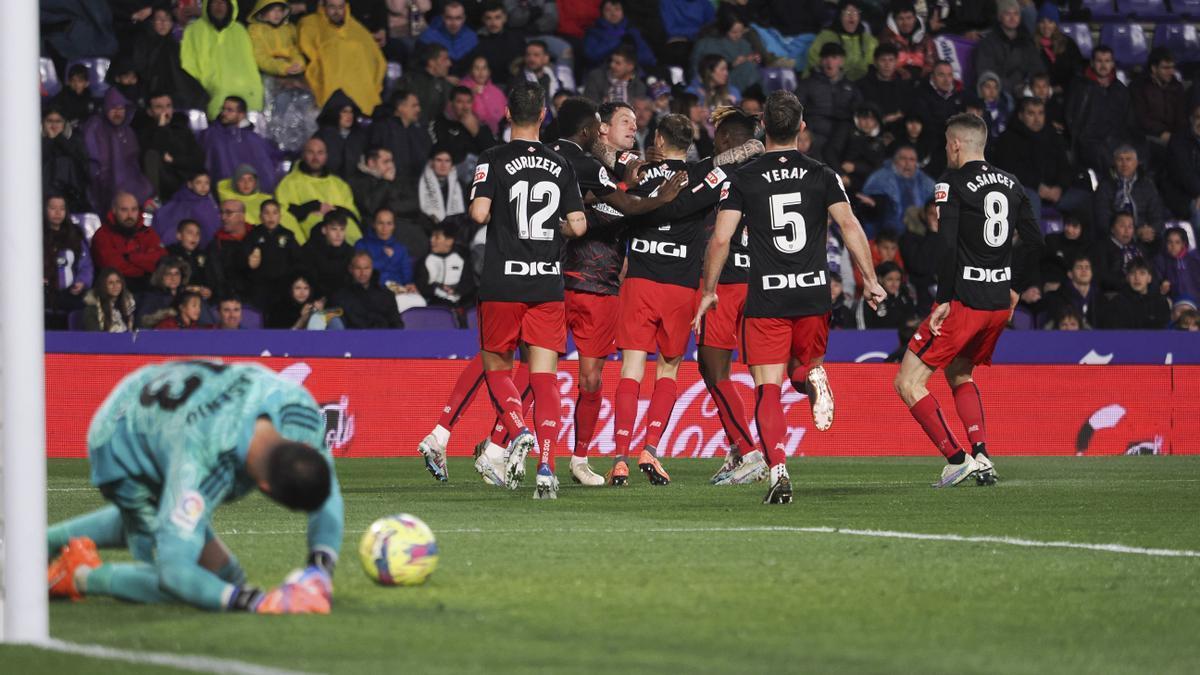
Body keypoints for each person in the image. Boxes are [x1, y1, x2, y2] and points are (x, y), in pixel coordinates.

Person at [695, 90, 884, 505]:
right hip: (814, 295)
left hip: (768, 298)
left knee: (767, 388)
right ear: (801, 127)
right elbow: (850, 226)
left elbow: (721, 239)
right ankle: (813, 379)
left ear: (763, 126)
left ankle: (778, 471)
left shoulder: (743, 177)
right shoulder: (823, 174)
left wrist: (709, 291)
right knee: (803, 369)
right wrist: (870, 280)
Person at [46, 361, 341, 613]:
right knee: (209, 579)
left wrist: (320, 568)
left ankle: (46, 540)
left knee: (209, 567)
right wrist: (253, 602)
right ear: (263, 488)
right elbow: (175, 572)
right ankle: (78, 575)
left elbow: (327, 488)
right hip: (122, 437)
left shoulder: (299, 411)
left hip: (170, 406)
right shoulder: (200, 466)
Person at [893, 112, 1043, 490]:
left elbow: (947, 244)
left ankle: (957, 459)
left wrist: (944, 298)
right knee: (960, 373)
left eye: (946, 143)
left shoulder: (951, 183)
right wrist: (1015, 288)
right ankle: (981, 454)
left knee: (908, 383)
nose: (946, 148)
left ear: (957, 144)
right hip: (996, 304)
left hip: (964, 301)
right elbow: (1036, 241)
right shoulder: (1012, 183)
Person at [463, 81, 589, 499]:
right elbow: (579, 225)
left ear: (505, 115)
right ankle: (548, 468)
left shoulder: (492, 157)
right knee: (545, 378)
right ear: (542, 117)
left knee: (497, 366)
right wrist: (550, 225)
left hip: (502, 280)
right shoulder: (562, 162)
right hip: (545, 283)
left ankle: (517, 430)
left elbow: (479, 213)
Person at [550, 99, 686, 486]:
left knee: (591, 379)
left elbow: (630, 210)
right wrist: (628, 198)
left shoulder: (632, 170)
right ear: (601, 130)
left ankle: (580, 459)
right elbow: (603, 212)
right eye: (624, 120)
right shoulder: (584, 166)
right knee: (536, 369)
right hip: (560, 277)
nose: (633, 125)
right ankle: (501, 441)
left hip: (605, 285)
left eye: (635, 120)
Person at [992, 97, 1074, 218]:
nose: (1037, 119)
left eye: (1040, 113)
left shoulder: (1054, 137)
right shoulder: (1008, 139)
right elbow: (1009, 171)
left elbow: (1065, 167)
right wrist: (1038, 186)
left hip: (1054, 192)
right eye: (1031, 113)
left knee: (1084, 198)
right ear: (1021, 115)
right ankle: (1032, 237)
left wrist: (1060, 187)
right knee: (1031, 199)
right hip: (1025, 189)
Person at [299, 0, 387, 115]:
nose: (337, 12)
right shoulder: (310, 24)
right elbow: (308, 50)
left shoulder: (356, 28)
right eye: (332, 7)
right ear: (323, 7)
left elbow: (376, 59)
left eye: (340, 7)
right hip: (330, 81)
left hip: (360, 85)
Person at [181, 0, 264, 120]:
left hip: (246, 95)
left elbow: (249, 65)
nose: (219, 6)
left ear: (230, 6)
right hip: (210, 92)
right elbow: (189, 64)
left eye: (223, 2)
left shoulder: (239, 30)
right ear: (207, 5)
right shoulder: (194, 30)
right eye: (215, 2)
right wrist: (207, 85)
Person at [275, 137, 362, 245]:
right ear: (303, 155)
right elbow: (283, 215)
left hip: (345, 247)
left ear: (326, 156)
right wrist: (311, 207)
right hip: (308, 247)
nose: (315, 157)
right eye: (311, 152)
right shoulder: (288, 183)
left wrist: (333, 211)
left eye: (320, 153)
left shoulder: (339, 184)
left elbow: (352, 214)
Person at [83, 89, 155, 213]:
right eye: (113, 108)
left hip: (128, 183)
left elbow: (133, 163)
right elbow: (93, 161)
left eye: (121, 109)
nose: (118, 113)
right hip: (102, 182)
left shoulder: (128, 132)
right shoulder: (95, 126)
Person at [1066, 46, 1133, 175]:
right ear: (1092, 63)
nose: (1103, 65)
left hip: (1115, 141)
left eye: (1107, 61)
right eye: (1099, 61)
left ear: (1113, 63)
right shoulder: (1079, 86)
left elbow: (1128, 121)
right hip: (1087, 142)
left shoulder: (1120, 90)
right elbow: (1071, 118)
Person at [795, 42, 862, 167]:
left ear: (841, 61)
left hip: (842, 135)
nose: (829, 62)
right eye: (826, 58)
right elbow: (795, 108)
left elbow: (859, 110)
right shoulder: (808, 84)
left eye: (834, 58)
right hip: (815, 133)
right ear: (821, 61)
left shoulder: (850, 86)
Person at [131, 6, 209, 112]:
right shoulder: (143, 43)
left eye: (167, 19)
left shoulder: (176, 45)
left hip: (177, 97)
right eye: (159, 19)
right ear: (152, 22)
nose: (163, 23)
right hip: (151, 96)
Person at [135, 92, 207, 203]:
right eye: (159, 107)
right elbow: (154, 157)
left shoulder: (183, 130)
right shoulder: (144, 134)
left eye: (168, 106)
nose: (165, 111)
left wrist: (174, 161)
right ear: (150, 111)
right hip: (165, 192)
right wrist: (162, 128)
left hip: (188, 186)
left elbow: (198, 159)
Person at [200, 96, 280, 193]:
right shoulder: (211, 135)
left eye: (229, 110)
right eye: (223, 109)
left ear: (241, 114)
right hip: (222, 192)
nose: (224, 113)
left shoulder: (254, 139)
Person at [91, 192, 166, 293]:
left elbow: (160, 260)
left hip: (149, 289)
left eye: (134, 209)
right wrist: (145, 267)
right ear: (114, 210)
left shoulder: (148, 232)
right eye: (124, 210)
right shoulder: (102, 235)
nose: (130, 215)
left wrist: (130, 257)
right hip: (115, 292)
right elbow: (113, 267)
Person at [972, 0, 1044, 97]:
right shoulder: (988, 43)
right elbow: (986, 74)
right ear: (1000, 17)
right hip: (999, 93)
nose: (1012, 18)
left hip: (1025, 92)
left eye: (1016, 14)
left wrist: (1028, 85)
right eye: (1007, 14)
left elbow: (1037, 68)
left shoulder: (1027, 41)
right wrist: (1013, 87)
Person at [1093, 146, 1165, 239]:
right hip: (1114, 236)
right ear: (1114, 163)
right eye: (1120, 160)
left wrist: (1151, 230)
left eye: (1128, 159)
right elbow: (1102, 218)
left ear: (1136, 163)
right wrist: (1127, 232)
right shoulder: (1105, 185)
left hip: (1144, 236)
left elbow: (1157, 215)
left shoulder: (1147, 185)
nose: (1124, 164)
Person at [862, 144, 936, 236]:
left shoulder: (926, 182)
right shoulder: (879, 178)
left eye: (912, 159)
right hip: (884, 235)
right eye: (903, 158)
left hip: (918, 235)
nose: (907, 163)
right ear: (894, 161)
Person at [43, 194, 94, 326]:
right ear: (44, 210)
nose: (58, 213)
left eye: (62, 208)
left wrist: (82, 282)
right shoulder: (34, 235)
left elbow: (86, 265)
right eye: (53, 208)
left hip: (69, 294)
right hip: (43, 295)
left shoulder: (75, 236)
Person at [689, 5, 762, 95]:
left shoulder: (744, 44)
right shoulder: (706, 44)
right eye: (734, 32)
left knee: (751, 69)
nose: (738, 35)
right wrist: (732, 64)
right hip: (714, 85)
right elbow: (697, 70)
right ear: (724, 29)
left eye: (741, 31)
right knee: (748, 68)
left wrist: (753, 60)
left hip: (742, 85)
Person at [245, 199, 302, 312]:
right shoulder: (253, 235)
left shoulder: (288, 235)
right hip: (260, 286)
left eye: (275, 213)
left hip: (283, 285)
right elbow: (244, 259)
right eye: (267, 213)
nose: (271, 217)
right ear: (260, 216)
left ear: (280, 216)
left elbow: (298, 260)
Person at [909, 60, 963, 178]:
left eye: (949, 75)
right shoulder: (921, 94)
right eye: (941, 75)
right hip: (930, 148)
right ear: (932, 77)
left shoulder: (959, 97)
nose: (947, 79)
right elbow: (925, 123)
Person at [432, 87, 499, 178]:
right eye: (459, 102)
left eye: (468, 102)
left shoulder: (480, 124)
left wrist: (477, 132)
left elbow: (493, 153)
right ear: (451, 103)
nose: (465, 107)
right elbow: (439, 152)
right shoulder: (440, 123)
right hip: (450, 174)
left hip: (477, 176)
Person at [356, 207, 420, 301]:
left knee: (419, 303)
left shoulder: (401, 248)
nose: (385, 228)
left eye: (389, 223)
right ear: (374, 224)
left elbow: (407, 275)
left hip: (399, 292)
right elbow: (360, 271)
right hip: (372, 291)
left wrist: (410, 284)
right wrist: (385, 259)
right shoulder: (362, 244)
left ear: (394, 226)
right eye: (380, 223)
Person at [349, 147, 421, 229]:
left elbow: (415, 203)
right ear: (371, 163)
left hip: (405, 225)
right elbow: (370, 207)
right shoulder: (357, 181)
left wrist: (387, 206)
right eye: (386, 162)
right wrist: (385, 182)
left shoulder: (396, 178)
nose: (391, 165)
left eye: (391, 161)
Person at [369, 89, 433, 182]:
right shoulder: (381, 129)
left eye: (418, 106)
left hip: (414, 186)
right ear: (400, 107)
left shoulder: (420, 132)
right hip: (387, 186)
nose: (418, 109)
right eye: (414, 106)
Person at [806, 0, 878, 82]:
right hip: (829, 84)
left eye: (855, 13)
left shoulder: (869, 40)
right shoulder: (825, 37)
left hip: (862, 85)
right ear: (839, 15)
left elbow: (872, 65)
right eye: (847, 12)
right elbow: (813, 60)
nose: (852, 16)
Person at [1132, 48, 1187, 154]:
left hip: (1174, 136)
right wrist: (1161, 132)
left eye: (1172, 67)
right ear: (1154, 68)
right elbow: (1141, 118)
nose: (1171, 72)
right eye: (1166, 68)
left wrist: (1179, 134)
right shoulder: (1138, 87)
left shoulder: (1177, 87)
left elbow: (1182, 116)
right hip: (1148, 135)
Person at [330, 252, 405, 328]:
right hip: (353, 339)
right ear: (350, 269)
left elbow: (397, 325)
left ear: (372, 268)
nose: (363, 273)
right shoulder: (339, 297)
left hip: (384, 338)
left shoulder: (387, 295)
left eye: (366, 268)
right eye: (358, 268)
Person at [415, 220, 475, 310]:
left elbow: (468, 284)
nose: (431, 240)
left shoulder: (461, 259)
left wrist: (455, 291)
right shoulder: (425, 261)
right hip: (435, 303)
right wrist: (439, 290)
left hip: (460, 302)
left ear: (449, 241)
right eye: (431, 236)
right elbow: (422, 286)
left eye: (437, 237)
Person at [857, 43, 913, 139]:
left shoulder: (903, 87)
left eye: (891, 60)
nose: (887, 65)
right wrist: (885, 119)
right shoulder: (862, 85)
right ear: (875, 62)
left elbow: (906, 113)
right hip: (869, 134)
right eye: (883, 60)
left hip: (897, 134)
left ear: (896, 62)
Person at [42, 106, 91, 214]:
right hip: (43, 197)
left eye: (58, 121)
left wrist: (60, 139)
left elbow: (82, 165)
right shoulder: (35, 143)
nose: (54, 125)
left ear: (64, 123)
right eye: (50, 121)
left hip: (70, 198)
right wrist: (49, 140)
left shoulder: (75, 142)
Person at [153, 172, 222, 248]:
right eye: (198, 182)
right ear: (190, 184)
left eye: (207, 183)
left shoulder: (210, 200)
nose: (203, 186)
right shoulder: (182, 201)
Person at [1097, 259, 1171, 329]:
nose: (1137, 278)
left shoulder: (1161, 303)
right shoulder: (1117, 303)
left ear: (1149, 278)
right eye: (1132, 273)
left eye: (1142, 273)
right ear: (1127, 278)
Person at [313, 90, 368, 180]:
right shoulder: (321, 137)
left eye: (351, 112)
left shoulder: (360, 137)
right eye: (344, 112)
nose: (349, 115)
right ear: (334, 113)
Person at [583, 0, 655, 68]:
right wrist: (617, 40)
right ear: (602, 13)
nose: (613, 13)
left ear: (623, 12)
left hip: (630, 74)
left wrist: (628, 60)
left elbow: (649, 58)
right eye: (608, 10)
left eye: (617, 9)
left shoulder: (632, 32)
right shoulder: (594, 32)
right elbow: (591, 56)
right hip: (604, 75)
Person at [166, 220, 220, 307]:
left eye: (197, 234)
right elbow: (164, 283)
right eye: (190, 233)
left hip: (200, 300)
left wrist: (209, 291)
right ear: (179, 236)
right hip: (176, 300)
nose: (194, 237)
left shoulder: (203, 255)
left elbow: (212, 279)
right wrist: (187, 289)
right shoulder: (169, 254)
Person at [302, 212, 357, 298]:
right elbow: (306, 281)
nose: (338, 235)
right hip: (314, 297)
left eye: (342, 229)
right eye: (334, 229)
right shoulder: (309, 250)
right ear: (324, 230)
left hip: (343, 298)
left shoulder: (350, 252)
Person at [400, 43, 454, 127]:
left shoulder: (447, 85)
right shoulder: (410, 82)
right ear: (431, 62)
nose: (449, 64)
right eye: (445, 60)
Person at [1032, 3, 1083, 94]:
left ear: (1056, 24)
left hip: (1067, 92)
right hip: (1038, 93)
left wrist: (1062, 88)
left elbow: (1077, 70)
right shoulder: (1031, 44)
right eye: (1042, 22)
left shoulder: (1068, 43)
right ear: (1038, 24)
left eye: (1050, 22)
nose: (1046, 26)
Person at [878, 1, 935, 80]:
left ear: (915, 18)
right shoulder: (886, 38)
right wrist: (900, 71)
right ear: (894, 20)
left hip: (922, 80)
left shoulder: (925, 37)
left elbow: (931, 62)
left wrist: (924, 73)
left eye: (909, 18)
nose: (905, 23)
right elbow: (884, 63)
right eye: (900, 19)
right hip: (896, 80)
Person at [1163, 104, 1200, 225]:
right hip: (1181, 195)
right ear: (1191, 119)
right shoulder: (1179, 140)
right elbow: (1185, 175)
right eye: (1198, 117)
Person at [474, 3, 526, 89]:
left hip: (514, 85)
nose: (493, 23)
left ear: (504, 18)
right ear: (483, 19)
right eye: (489, 18)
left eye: (497, 17)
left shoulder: (516, 38)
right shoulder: (476, 40)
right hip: (486, 86)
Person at [1042, 253, 1098, 328]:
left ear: (1092, 273)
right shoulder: (1057, 298)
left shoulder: (1100, 298)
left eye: (1087, 267)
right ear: (1070, 274)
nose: (1084, 270)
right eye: (1079, 267)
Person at [268, 274, 344, 329]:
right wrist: (302, 319)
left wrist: (320, 313)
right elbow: (282, 340)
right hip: (288, 349)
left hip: (317, 347)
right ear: (290, 290)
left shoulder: (314, 306)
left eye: (306, 288)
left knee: (332, 319)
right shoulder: (279, 309)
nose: (302, 292)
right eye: (297, 288)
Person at [136, 256, 192, 328]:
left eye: (177, 273)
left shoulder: (186, 295)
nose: (173, 278)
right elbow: (141, 326)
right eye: (168, 274)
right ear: (160, 276)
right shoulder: (150, 297)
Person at [582, 44, 648, 104]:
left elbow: (639, 111)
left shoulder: (639, 86)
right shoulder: (597, 77)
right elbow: (588, 105)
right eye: (612, 61)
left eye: (617, 63)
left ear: (630, 67)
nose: (612, 65)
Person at [418, 0, 478, 65]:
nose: (453, 23)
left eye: (458, 18)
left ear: (464, 19)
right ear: (443, 18)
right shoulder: (428, 38)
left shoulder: (472, 38)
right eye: (449, 18)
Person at [462, 56, 508, 135]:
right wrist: (471, 93)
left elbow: (506, 115)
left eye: (484, 68)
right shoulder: (463, 89)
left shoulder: (497, 92)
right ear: (470, 71)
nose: (481, 72)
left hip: (498, 135)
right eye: (477, 68)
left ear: (489, 71)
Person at [1154, 227, 1200, 302]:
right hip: (1175, 302)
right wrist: (1162, 285)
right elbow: (1158, 280)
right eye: (1169, 242)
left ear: (1183, 244)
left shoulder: (1194, 259)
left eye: (1177, 242)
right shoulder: (1161, 260)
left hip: (1196, 302)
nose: (1173, 246)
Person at [520, 40, 561, 110]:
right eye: (528, 55)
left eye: (536, 55)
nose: (531, 59)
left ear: (546, 58)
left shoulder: (556, 78)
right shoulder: (519, 80)